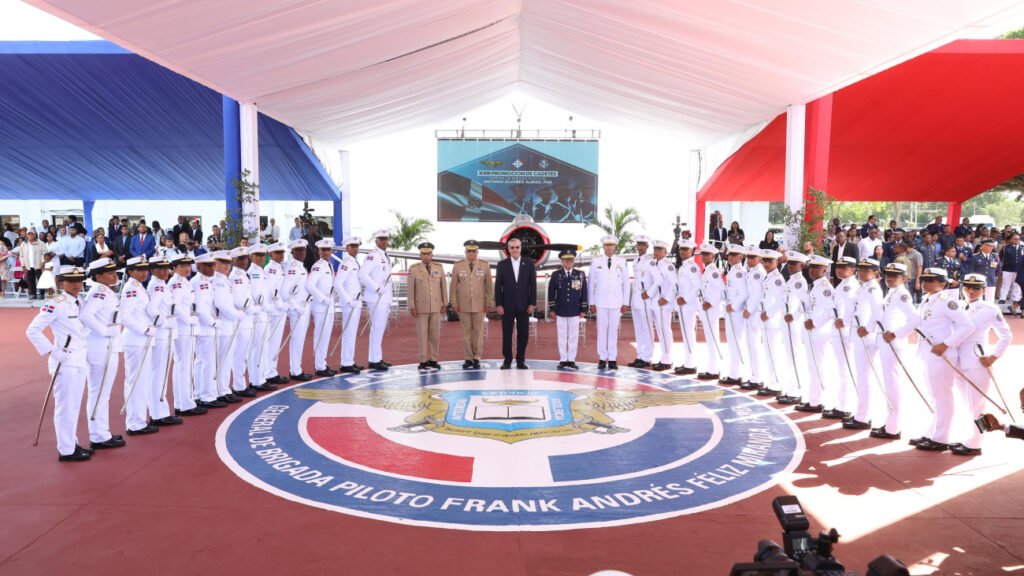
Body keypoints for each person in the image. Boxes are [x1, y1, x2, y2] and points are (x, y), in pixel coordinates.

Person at [25, 265, 93, 461]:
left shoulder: (80, 301)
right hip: (64, 362)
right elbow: (32, 330)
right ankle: (66, 450)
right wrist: (53, 352)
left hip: (79, 359)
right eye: (70, 281)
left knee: (74, 406)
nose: (76, 284)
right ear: (60, 283)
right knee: (65, 406)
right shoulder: (57, 303)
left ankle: (71, 443)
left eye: (79, 280)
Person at [911, 268, 973, 452]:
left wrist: (946, 344)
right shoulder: (927, 299)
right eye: (924, 279)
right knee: (934, 396)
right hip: (928, 353)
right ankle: (931, 433)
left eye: (931, 280)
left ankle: (941, 438)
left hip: (942, 355)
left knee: (942, 397)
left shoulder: (947, 302)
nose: (926, 283)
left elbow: (967, 326)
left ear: (943, 283)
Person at [950, 274, 1013, 455]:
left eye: (976, 288)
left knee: (978, 405)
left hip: (977, 362)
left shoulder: (989, 309)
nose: (971, 291)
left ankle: (976, 443)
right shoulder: (959, 306)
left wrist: (993, 356)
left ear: (983, 290)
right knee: (968, 404)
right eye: (968, 287)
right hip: (959, 362)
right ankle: (970, 437)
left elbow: (1006, 335)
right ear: (962, 288)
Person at [871, 263, 919, 441]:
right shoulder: (892, 292)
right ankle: (890, 423)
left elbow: (915, 319)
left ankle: (893, 427)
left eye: (894, 275)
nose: (889, 278)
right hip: (886, 342)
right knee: (889, 385)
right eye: (887, 275)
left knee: (893, 385)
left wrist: (897, 333)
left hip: (893, 344)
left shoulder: (903, 294)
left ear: (904, 278)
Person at [120, 256, 161, 436]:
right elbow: (125, 316)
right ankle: (135, 423)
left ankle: (139, 420)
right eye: (139, 269)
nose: (144, 273)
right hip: (136, 340)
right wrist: (145, 329)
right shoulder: (131, 289)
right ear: (130, 272)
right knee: (136, 382)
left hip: (142, 340)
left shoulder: (139, 288)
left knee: (141, 381)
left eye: (146, 269)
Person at [143, 255, 183, 428]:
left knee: (161, 374)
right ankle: (157, 413)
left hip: (165, 333)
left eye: (166, 268)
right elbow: (152, 310)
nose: (165, 271)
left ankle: (161, 410)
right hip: (161, 334)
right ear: (152, 270)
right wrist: (165, 323)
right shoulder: (157, 287)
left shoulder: (161, 285)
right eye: (160, 268)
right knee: (158, 373)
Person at [845, 258, 883, 430]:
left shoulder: (873, 288)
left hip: (866, 337)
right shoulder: (864, 287)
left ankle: (863, 417)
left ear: (875, 273)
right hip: (859, 335)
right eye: (860, 269)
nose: (861, 273)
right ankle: (861, 413)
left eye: (866, 270)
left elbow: (878, 311)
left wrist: (868, 328)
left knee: (865, 377)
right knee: (862, 376)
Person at [167, 254, 206, 417]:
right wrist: (189, 319)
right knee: (183, 366)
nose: (187, 268)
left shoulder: (184, 282)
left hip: (188, 328)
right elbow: (175, 306)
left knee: (185, 366)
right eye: (182, 265)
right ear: (174, 268)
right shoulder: (176, 283)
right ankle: (184, 404)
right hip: (183, 328)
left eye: (188, 265)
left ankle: (185, 401)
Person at [189, 253, 227, 409]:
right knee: (207, 363)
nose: (212, 268)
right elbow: (200, 308)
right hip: (206, 328)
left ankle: (201, 394)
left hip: (207, 328)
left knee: (203, 362)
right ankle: (207, 396)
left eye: (213, 265)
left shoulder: (206, 281)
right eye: (208, 265)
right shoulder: (200, 283)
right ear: (198, 267)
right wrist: (213, 322)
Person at [587, 236, 630, 370]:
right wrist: (591, 302)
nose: (609, 247)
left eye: (611, 245)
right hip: (600, 301)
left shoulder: (621, 262)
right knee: (601, 330)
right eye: (607, 245)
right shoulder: (596, 262)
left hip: (616, 302)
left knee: (613, 331)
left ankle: (612, 358)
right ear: (603, 247)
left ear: (615, 247)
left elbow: (627, 283)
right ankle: (601, 358)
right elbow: (590, 283)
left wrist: (625, 302)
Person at [449, 239, 493, 370]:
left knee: (478, 332)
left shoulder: (485, 265)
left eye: (474, 251)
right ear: (465, 252)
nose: (471, 253)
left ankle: (477, 358)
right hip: (463, 305)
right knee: (466, 332)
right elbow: (453, 287)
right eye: (469, 251)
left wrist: (488, 302)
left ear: (477, 252)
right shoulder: (458, 265)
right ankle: (468, 358)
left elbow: (489, 286)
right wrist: (454, 303)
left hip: (480, 304)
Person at [494, 237, 537, 369]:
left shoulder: (529, 263)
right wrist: (499, 304)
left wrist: (532, 303)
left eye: (517, 247)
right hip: (507, 306)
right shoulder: (502, 265)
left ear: (521, 248)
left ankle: (520, 360)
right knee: (507, 333)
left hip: (524, 306)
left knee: (523, 334)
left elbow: (533, 285)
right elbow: (498, 286)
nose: (515, 250)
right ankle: (507, 360)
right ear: (508, 249)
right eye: (512, 247)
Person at [407, 242, 448, 370]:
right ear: (420, 255)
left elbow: (443, 287)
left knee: (435, 335)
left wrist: (445, 303)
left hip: (436, 306)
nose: (426, 256)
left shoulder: (439, 268)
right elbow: (410, 290)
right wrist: (412, 306)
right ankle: (423, 360)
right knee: (422, 335)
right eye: (423, 254)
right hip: (421, 307)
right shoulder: (413, 269)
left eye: (428, 254)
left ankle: (434, 359)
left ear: (432, 255)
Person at [545, 249, 587, 369]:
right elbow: (551, 292)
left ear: (573, 261)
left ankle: (571, 359)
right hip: (561, 310)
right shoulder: (556, 274)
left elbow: (584, 292)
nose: (568, 263)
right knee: (562, 335)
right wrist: (552, 309)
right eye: (566, 261)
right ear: (562, 262)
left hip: (575, 310)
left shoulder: (580, 274)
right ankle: (563, 359)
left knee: (573, 335)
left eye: (570, 260)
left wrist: (583, 309)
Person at [359, 230, 394, 371]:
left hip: (384, 298)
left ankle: (376, 358)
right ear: (376, 241)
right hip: (376, 297)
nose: (384, 241)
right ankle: (374, 360)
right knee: (376, 328)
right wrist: (377, 288)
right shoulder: (372, 256)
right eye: (381, 239)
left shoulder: (384, 256)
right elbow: (362, 274)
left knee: (379, 329)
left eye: (386, 239)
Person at [211, 251, 243, 403]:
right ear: (215, 264)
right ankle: (221, 390)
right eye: (222, 263)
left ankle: (223, 388)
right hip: (224, 325)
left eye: (228, 263)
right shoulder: (218, 281)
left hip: (228, 324)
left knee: (226, 359)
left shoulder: (224, 280)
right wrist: (236, 315)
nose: (226, 266)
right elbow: (221, 303)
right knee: (222, 359)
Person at [778, 251, 810, 405]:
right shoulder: (791, 281)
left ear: (802, 266)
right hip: (787, 322)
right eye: (789, 263)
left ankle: (795, 392)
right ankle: (790, 389)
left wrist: (794, 315)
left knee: (794, 357)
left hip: (793, 323)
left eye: (794, 264)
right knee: (789, 357)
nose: (790, 266)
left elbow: (805, 303)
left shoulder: (799, 282)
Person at [641, 240, 676, 371]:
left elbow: (674, 284)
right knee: (661, 332)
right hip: (655, 303)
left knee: (664, 331)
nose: (656, 252)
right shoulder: (654, 264)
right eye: (655, 249)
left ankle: (667, 360)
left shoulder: (668, 266)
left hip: (663, 303)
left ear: (665, 252)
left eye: (659, 249)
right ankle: (664, 358)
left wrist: (667, 299)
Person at [247, 244, 277, 392]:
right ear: (251, 257)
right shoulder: (254, 272)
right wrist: (266, 306)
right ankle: (257, 380)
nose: (261, 258)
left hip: (264, 313)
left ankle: (260, 377)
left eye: (262, 255)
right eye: (257, 255)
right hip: (258, 314)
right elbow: (255, 294)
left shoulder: (260, 271)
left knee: (262, 347)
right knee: (257, 348)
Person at [228, 247, 257, 396]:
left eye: (245, 258)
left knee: (243, 354)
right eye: (240, 259)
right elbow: (239, 301)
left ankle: (241, 383)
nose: (244, 261)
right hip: (242, 319)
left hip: (247, 319)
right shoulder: (236, 276)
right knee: (239, 354)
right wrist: (252, 308)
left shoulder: (243, 275)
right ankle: (239, 385)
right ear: (233, 261)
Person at [333, 238, 364, 374]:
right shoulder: (346, 263)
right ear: (347, 248)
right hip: (349, 303)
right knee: (349, 332)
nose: (355, 249)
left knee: (351, 333)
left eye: (356, 246)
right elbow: (338, 284)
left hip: (355, 302)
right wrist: (348, 300)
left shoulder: (355, 262)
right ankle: (346, 362)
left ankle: (349, 361)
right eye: (352, 246)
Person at [283, 239, 313, 380]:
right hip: (297, 310)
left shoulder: (301, 266)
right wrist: (296, 307)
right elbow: (284, 292)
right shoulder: (293, 267)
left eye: (303, 250)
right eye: (298, 250)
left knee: (300, 340)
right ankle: (295, 371)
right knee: (297, 339)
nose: (302, 252)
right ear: (292, 252)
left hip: (304, 307)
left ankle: (297, 368)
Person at [307, 239, 337, 377]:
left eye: (328, 250)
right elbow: (309, 285)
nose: (326, 252)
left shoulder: (329, 265)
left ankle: (322, 364)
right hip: (321, 306)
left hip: (328, 305)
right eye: (323, 250)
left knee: (325, 336)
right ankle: (319, 367)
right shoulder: (318, 266)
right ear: (319, 251)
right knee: (320, 336)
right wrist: (322, 298)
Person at [262, 243, 292, 382]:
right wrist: (280, 303)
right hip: (275, 310)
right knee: (272, 342)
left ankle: (272, 370)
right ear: (270, 255)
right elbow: (271, 289)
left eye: (282, 252)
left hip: (279, 309)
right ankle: (269, 372)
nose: (281, 255)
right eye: (278, 253)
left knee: (275, 342)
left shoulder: (279, 267)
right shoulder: (271, 269)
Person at [719, 244, 748, 384]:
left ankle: (735, 375)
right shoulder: (732, 271)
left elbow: (744, 293)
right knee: (732, 343)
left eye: (733, 255)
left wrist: (733, 306)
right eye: (729, 255)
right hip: (731, 310)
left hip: (736, 312)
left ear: (741, 257)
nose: (730, 257)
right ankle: (733, 372)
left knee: (736, 342)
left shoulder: (739, 272)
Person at [697, 243, 724, 380]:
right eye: (703, 254)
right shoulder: (706, 270)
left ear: (713, 256)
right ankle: (712, 368)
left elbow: (720, 289)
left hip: (711, 309)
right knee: (710, 339)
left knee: (713, 339)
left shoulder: (713, 271)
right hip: (706, 309)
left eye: (707, 254)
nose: (704, 256)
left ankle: (714, 370)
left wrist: (710, 302)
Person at [628, 235, 654, 368]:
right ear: (636, 246)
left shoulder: (651, 261)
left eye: (643, 244)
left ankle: (647, 357)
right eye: (639, 244)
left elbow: (657, 280)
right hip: (636, 299)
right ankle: (639, 355)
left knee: (647, 329)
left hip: (646, 299)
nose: (641, 247)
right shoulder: (634, 260)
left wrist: (650, 293)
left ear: (647, 247)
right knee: (638, 329)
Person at [997, 232, 1021, 304]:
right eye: (1015, 239)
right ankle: (1002, 298)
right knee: (1005, 284)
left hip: (1019, 270)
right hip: (1007, 269)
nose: (1017, 240)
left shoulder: (1022, 248)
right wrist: (1000, 268)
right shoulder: (1005, 247)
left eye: (1018, 239)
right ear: (1011, 240)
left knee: (1017, 285)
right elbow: (1000, 258)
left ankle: (1016, 299)